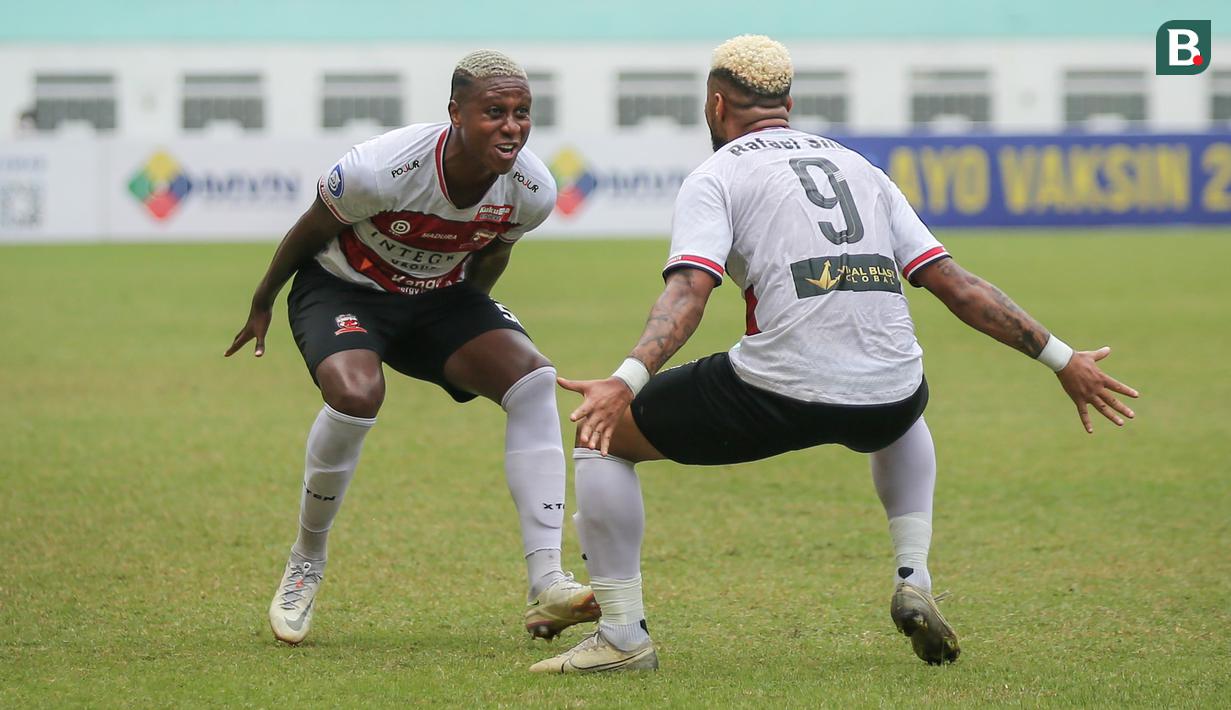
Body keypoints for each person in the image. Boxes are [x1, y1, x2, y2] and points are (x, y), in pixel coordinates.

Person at [530, 35, 1138, 674]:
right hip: (891, 395)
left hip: (777, 391)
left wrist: (624, 381)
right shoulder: (862, 168)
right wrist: (1064, 359)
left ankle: (623, 639)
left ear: (714, 107)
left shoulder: (718, 173)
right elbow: (955, 284)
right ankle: (914, 577)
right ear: (788, 103)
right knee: (900, 408)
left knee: (605, 439)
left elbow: (689, 293)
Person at [225, 50, 600, 645]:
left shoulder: (531, 189)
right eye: (494, 111)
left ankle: (547, 583)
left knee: (532, 380)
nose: (512, 126)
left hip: (440, 297)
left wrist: (461, 335)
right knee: (355, 395)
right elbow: (309, 231)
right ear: (455, 112)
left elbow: (493, 255)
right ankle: (306, 559)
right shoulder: (382, 169)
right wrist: (262, 301)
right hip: (344, 289)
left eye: (523, 112)